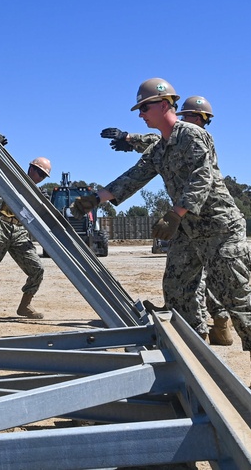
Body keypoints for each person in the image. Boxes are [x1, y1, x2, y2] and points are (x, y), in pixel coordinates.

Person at [73, 78, 251, 398]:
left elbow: (202, 176)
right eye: (139, 109)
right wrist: (94, 199)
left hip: (220, 228)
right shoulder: (160, 148)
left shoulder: (194, 135)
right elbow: (133, 177)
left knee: (234, 294)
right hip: (188, 230)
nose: (141, 114)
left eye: (145, 107)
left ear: (166, 104)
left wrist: (175, 214)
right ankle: (194, 353)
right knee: (177, 290)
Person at [100, 95, 237, 347]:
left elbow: (192, 170)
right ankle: (210, 328)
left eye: (189, 116)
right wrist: (129, 140)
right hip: (188, 221)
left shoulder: (193, 137)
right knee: (187, 277)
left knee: (208, 279)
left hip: (206, 218)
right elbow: (156, 146)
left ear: (198, 119)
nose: (186, 119)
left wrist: (130, 138)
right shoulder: (175, 138)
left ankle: (216, 326)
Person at [0, 157, 52, 321]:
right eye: (40, 173)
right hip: (2, 226)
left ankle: (25, 305)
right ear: (31, 169)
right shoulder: (13, 180)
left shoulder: (39, 194)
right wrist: (16, 186)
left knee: (37, 268)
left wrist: (41, 202)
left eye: (43, 176)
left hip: (20, 230)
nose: (41, 178)